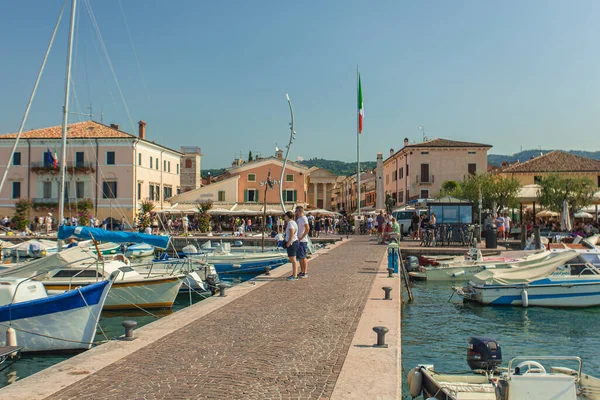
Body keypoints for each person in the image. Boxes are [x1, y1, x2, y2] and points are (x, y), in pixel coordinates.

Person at [283, 211, 299, 281]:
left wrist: (289, 242)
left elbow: (292, 232)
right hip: (295, 242)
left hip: (292, 243)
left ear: (287, 216)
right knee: (293, 259)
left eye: (285, 216)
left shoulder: (290, 223)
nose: (284, 218)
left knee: (293, 260)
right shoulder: (294, 222)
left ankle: (294, 275)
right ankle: (294, 274)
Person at [295, 206, 310, 278]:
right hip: (299, 240)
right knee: (300, 257)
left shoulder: (304, 218)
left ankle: (305, 272)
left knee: (303, 256)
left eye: (296, 211)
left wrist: (302, 237)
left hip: (302, 241)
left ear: (299, 211)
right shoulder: (299, 219)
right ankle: (302, 271)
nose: (295, 212)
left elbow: (307, 228)